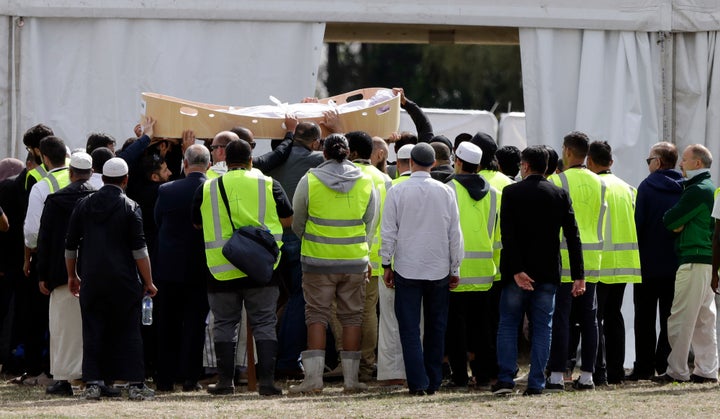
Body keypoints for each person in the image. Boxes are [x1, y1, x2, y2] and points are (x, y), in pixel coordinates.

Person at [193, 138, 292, 396]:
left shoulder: (207, 187)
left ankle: (226, 382)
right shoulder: (269, 184)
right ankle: (267, 383)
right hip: (262, 267)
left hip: (221, 269)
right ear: (251, 160)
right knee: (264, 323)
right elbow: (288, 217)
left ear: (224, 160)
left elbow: (196, 223)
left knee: (225, 324)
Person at [492, 145, 584, 396]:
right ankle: (536, 383)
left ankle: (505, 379)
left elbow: (507, 235)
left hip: (516, 274)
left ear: (525, 165)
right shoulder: (559, 194)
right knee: (543, 326)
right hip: (547, 273)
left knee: (508, 324)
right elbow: (573, 236)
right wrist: (579, 274)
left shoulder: (511, 192)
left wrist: (518, 269)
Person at [290, 134, 378, 393]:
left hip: (317, 260)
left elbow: (298, 221)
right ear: (349, 152)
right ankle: (351, 381)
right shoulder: (366, 181)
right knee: (352, 317)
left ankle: (313, 380)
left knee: (316, 315)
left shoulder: (310, 180)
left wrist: (311, 240)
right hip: (354, 261)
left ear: (323, 153)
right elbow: (370, 222)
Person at [66, 157, 157, 400]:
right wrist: (148, 281)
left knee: (92, 329)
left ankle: (93, 383)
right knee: (129, 330)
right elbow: (140, 250)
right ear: (126, 180)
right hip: (124, 280)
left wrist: (72, 275)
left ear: (102, 178)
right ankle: (136, 384)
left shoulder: (84, 205)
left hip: (92, 279)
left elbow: (70, 246)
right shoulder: (130, 207)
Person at [381, 142, 463, 396]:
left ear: (410, 162)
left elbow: (388, 232)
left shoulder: (397, 191)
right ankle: (434, 379)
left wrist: (386, 263)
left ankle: (417, 382)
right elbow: (454, 233)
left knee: (409, 328)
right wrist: (455, 266)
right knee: (437, 327)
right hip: (438, 267)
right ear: (434, 164)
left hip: (407, 266)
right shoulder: (446, 191)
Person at [654, 144, 717, 384]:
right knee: (704, 321)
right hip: (708, 262)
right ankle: (707, 370)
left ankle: (677, 370)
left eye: (685, 160)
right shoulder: (710, 188)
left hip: (693, 261)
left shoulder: (697, 190)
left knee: (680, 318)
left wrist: (678, 223)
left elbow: (670, 220)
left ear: (697, 164)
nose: (681, 163)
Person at [266, 122, 325, 379]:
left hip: (273, 238)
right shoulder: (318, 159)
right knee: (300, 299)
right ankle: (288, 359)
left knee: (278, 299)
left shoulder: (272, 160)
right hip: (301, 238)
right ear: (314, 143)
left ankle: (268, 358)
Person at [547, 131, 605, 391]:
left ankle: (558, 374)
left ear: (567, 152)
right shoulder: (600, 182)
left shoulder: (557, 181)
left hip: (564, 258)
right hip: (592, 257)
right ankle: (588, 375)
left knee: (561, 317)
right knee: (590, 319)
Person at [36, 151, 96, 396]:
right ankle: (90, 374)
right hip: (94, 271)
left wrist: (42, 275)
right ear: (91, 173)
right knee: (89, 326)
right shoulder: (98, 198)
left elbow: (45, 240)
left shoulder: (55, 200)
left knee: (62, 327)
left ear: (71, 174)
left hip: (61, 273)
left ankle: (63, 377)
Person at [153, 145, 212, 392]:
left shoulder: (167, 190)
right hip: (201, 266)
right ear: (208, 166)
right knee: (195, 324)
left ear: (185, 164)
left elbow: (157, 221)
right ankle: (190, 378)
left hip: (169, 267)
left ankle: (164, 379)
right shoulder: (213, 190)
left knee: (167, 324)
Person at [443, 142, 500, 389]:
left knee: (456, 328)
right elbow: (497, 236)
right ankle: (484, 374)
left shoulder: (448, 189)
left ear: (457, 161)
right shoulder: (495, 193)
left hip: (456, 270)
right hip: (485, 271)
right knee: (482, 328)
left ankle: (459, 376)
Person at [626, 142, 683, 380]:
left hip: (648, 265)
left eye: (649, 160)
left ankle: (644, 367)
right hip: (675, 264)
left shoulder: (647, 187)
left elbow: (637, 226)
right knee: (670, 317)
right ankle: (665, 362)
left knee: (645, 319)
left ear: (657, 162)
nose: (648, 164)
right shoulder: (685, 187)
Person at [586, 141, 641, 385]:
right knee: (614, 315)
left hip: (600, 263)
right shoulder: (629, 189)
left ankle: (599, 371)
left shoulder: (594, 185)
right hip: (624, 263)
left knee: (595, 318)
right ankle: (616, 372)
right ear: (611, 161)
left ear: (589, 161)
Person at [22, 135, 70, 383]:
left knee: (47, 317)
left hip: (50, 259)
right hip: (83, 256)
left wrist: (30, 255)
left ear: (43, 157)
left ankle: (49, 369)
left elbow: (31, 232)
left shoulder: (41, 184)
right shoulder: (79, 176)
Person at [376, 143, 414, 386]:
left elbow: (384, 230)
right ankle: (416, 369)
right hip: (424, 266)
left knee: (390, 319)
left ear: (399, 164)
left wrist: (386, 263)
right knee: (419, 319)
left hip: (394, 262)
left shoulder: (390, 186)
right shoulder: (439, 188)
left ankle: (392, 374)